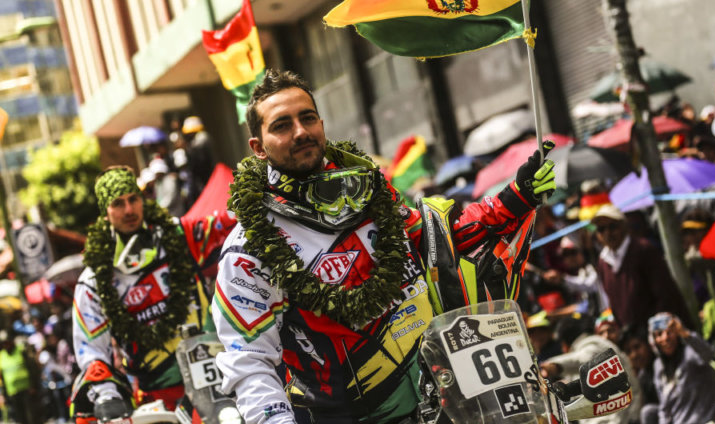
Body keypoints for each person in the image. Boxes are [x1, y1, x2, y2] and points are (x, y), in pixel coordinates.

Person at [212, 69, 558, 424]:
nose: (300, 132)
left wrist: (516, 198)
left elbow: (441, 238)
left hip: (450, 401)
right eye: (282, 125)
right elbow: (250, 362)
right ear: (259, 148)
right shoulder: (249, 249)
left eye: (307, 118)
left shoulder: (368, 191)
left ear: (322, 123)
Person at [71, 165, 236, 420]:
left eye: (133, 199)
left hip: (221, 377)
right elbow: (92, 352)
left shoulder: (180, 235)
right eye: (118, 203)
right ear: (105, 212)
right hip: (159, 398)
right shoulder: (92, 281)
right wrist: (106, 394)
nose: (129, 210)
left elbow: (229, 221)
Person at [591, 205, 691, 330]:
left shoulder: (643, 249)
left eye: (612, 226)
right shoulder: (603, 261)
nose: (607, 233)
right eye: (601, 229)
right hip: (633, 337)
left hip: (661, 332)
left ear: (623, 226)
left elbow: (665, 294)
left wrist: (658, 328)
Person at [539, 314, 641, 424]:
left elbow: (580, 358)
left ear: (564, 344)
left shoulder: (594, 346)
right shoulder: (591, 347)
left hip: (626, 416)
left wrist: (555, 365)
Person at [643, 312, 715, 424]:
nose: (665, 338)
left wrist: (685, 334)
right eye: (659, 334)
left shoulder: (691, 352)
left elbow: (708, 354)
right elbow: (665, 408)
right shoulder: (658, 365)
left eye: (670, 332)